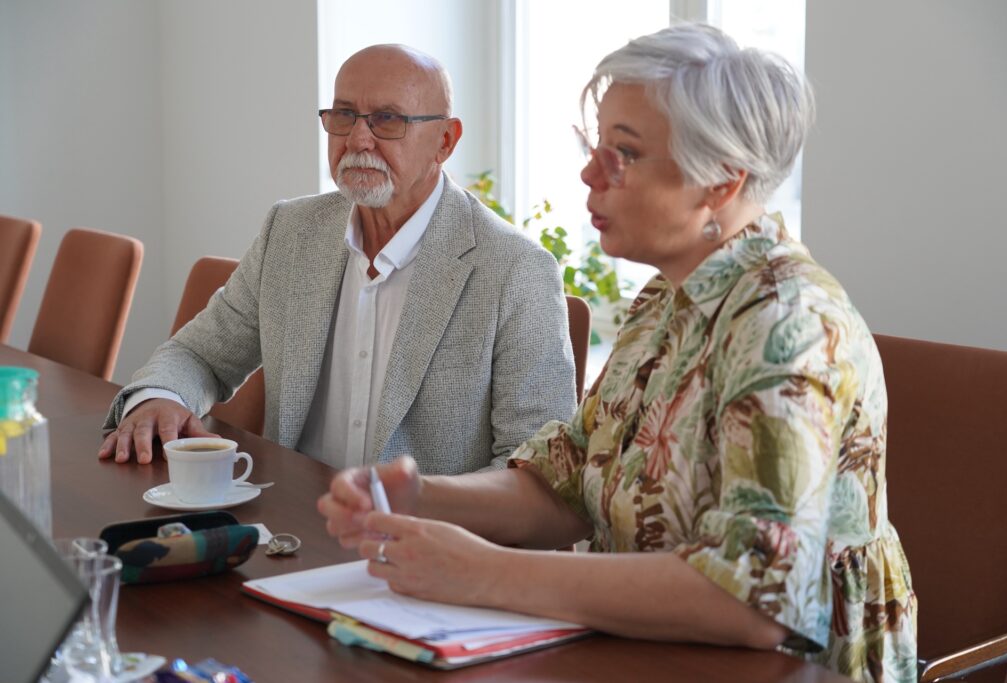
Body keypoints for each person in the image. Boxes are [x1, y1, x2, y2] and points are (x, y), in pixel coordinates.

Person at [317, 24, 917, 683]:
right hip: (641, 650)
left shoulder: (788, 323)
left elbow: (756, 603)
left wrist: (484, 571)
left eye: (623, 153)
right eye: (595, 147)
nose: (589, 172)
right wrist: (418, 496)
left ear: (721, 180)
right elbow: (567, 482)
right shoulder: (666, 297)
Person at [99, 44, 577, 474]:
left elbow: (534, 471)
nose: (358, 140)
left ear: (446, 141)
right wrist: (159, 397)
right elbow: (200, 354)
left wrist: (416, 514)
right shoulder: (290, 231)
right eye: (344, 115)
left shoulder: (516, 270)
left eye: (388, 120)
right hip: (290, 528)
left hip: (422, 552)